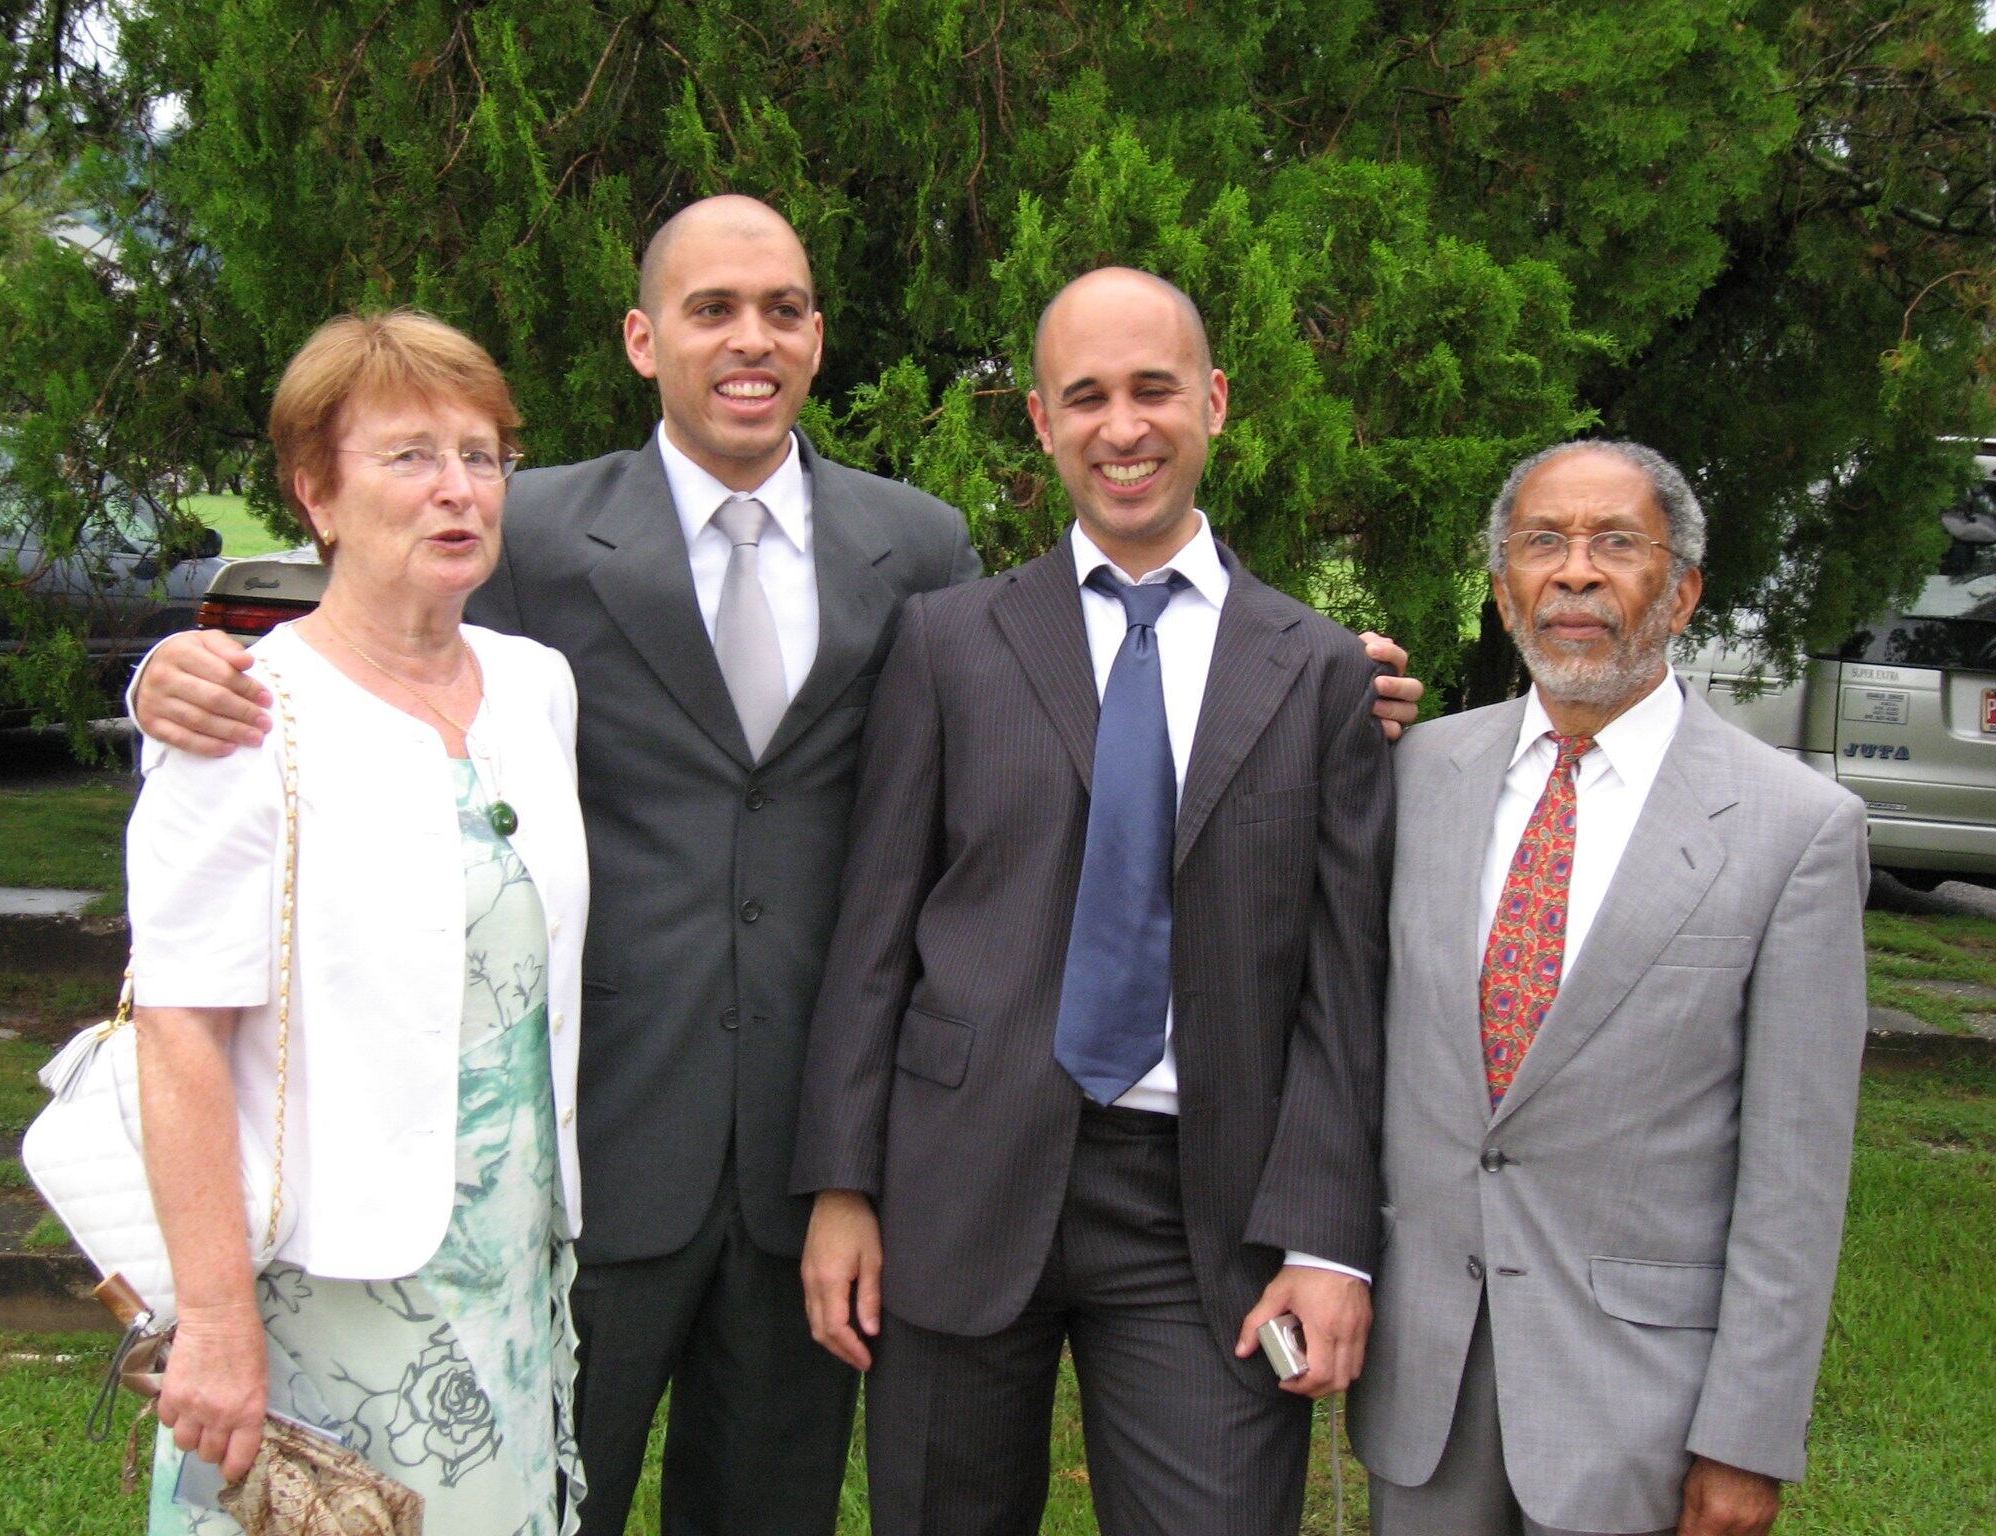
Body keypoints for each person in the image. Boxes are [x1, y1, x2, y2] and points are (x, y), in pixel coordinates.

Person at [130, 201, 1425, 1536]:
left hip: (821, 1161)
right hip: (604, 1149)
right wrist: (183, 673)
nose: (750, 340)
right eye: (711, 309)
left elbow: (1022, 762)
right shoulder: (539, 535)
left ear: (817, 336)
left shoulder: (917, 550)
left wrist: (1319, 690)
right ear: (644, 338)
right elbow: (388, 636)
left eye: (784, 309)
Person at [790, 267, 1394, 1536]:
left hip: (1204, 1214)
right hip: (962, 1180)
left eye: (1153, 390)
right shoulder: (948, 643)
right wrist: (841, 1188)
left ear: (1214, 403)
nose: (1122, 428)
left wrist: (1326, 1241)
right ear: (1040, 424)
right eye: (1086, 397)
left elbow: (1344, 990)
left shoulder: (1316, 672)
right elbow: (873, 939)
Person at [1349, 441, 1869, 1536]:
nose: (1573, 573)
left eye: (1614, 545)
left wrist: (1745, 1436)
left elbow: (1794, 1177)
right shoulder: (1414, 777)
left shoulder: (1792, 830)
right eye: (1541, 544)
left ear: (1679, 593)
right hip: (1422, 1384)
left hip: (1636, 1404)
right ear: (1501, 594)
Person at [129, 309, 588, 1535]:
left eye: (481, 455)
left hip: (508, 1267)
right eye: (409, 456)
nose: (457, 489)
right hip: (320, 1290)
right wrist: (217, 1327)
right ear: (314, 494)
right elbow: (175, 1034)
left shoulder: (536, 687)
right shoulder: (243, 718)